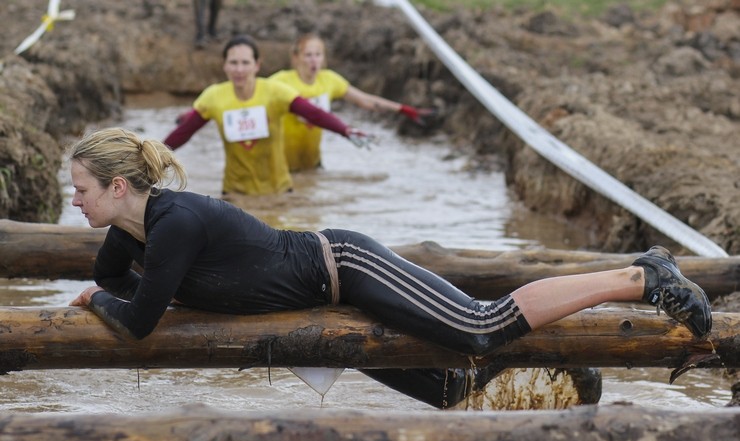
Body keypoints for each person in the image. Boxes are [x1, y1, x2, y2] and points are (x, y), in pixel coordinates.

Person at [68, 128, 713, 407]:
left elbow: (138, 319)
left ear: (120, 186)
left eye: (82, 190)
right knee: (447, 390)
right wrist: (113, 293)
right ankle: (551, 395)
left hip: (343, 265)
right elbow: (123, 284)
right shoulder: (125, 237)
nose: (76, 201)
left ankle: (641, 275)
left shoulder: (173, 222)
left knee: (480, 327)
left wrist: (97, 303)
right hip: (318, 304)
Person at [164, 35, 369, 196]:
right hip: (236, 193)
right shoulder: (214, 96)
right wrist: (154, 156)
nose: (239, 69)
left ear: (257, 65)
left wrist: (345, 130)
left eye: (245, 63)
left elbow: (314, 113)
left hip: (279, 192)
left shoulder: (275, 92)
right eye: (233, 63)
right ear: (224, 65)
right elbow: (185, 132)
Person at [269, 33, 435, 171]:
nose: (314, 60)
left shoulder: (329, 80)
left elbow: (365, 100)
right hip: (282, 165)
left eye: (318, 55)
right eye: (308, 55)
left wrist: (403, 109)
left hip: (312, 163)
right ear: (296, 57)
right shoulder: (280, 81)